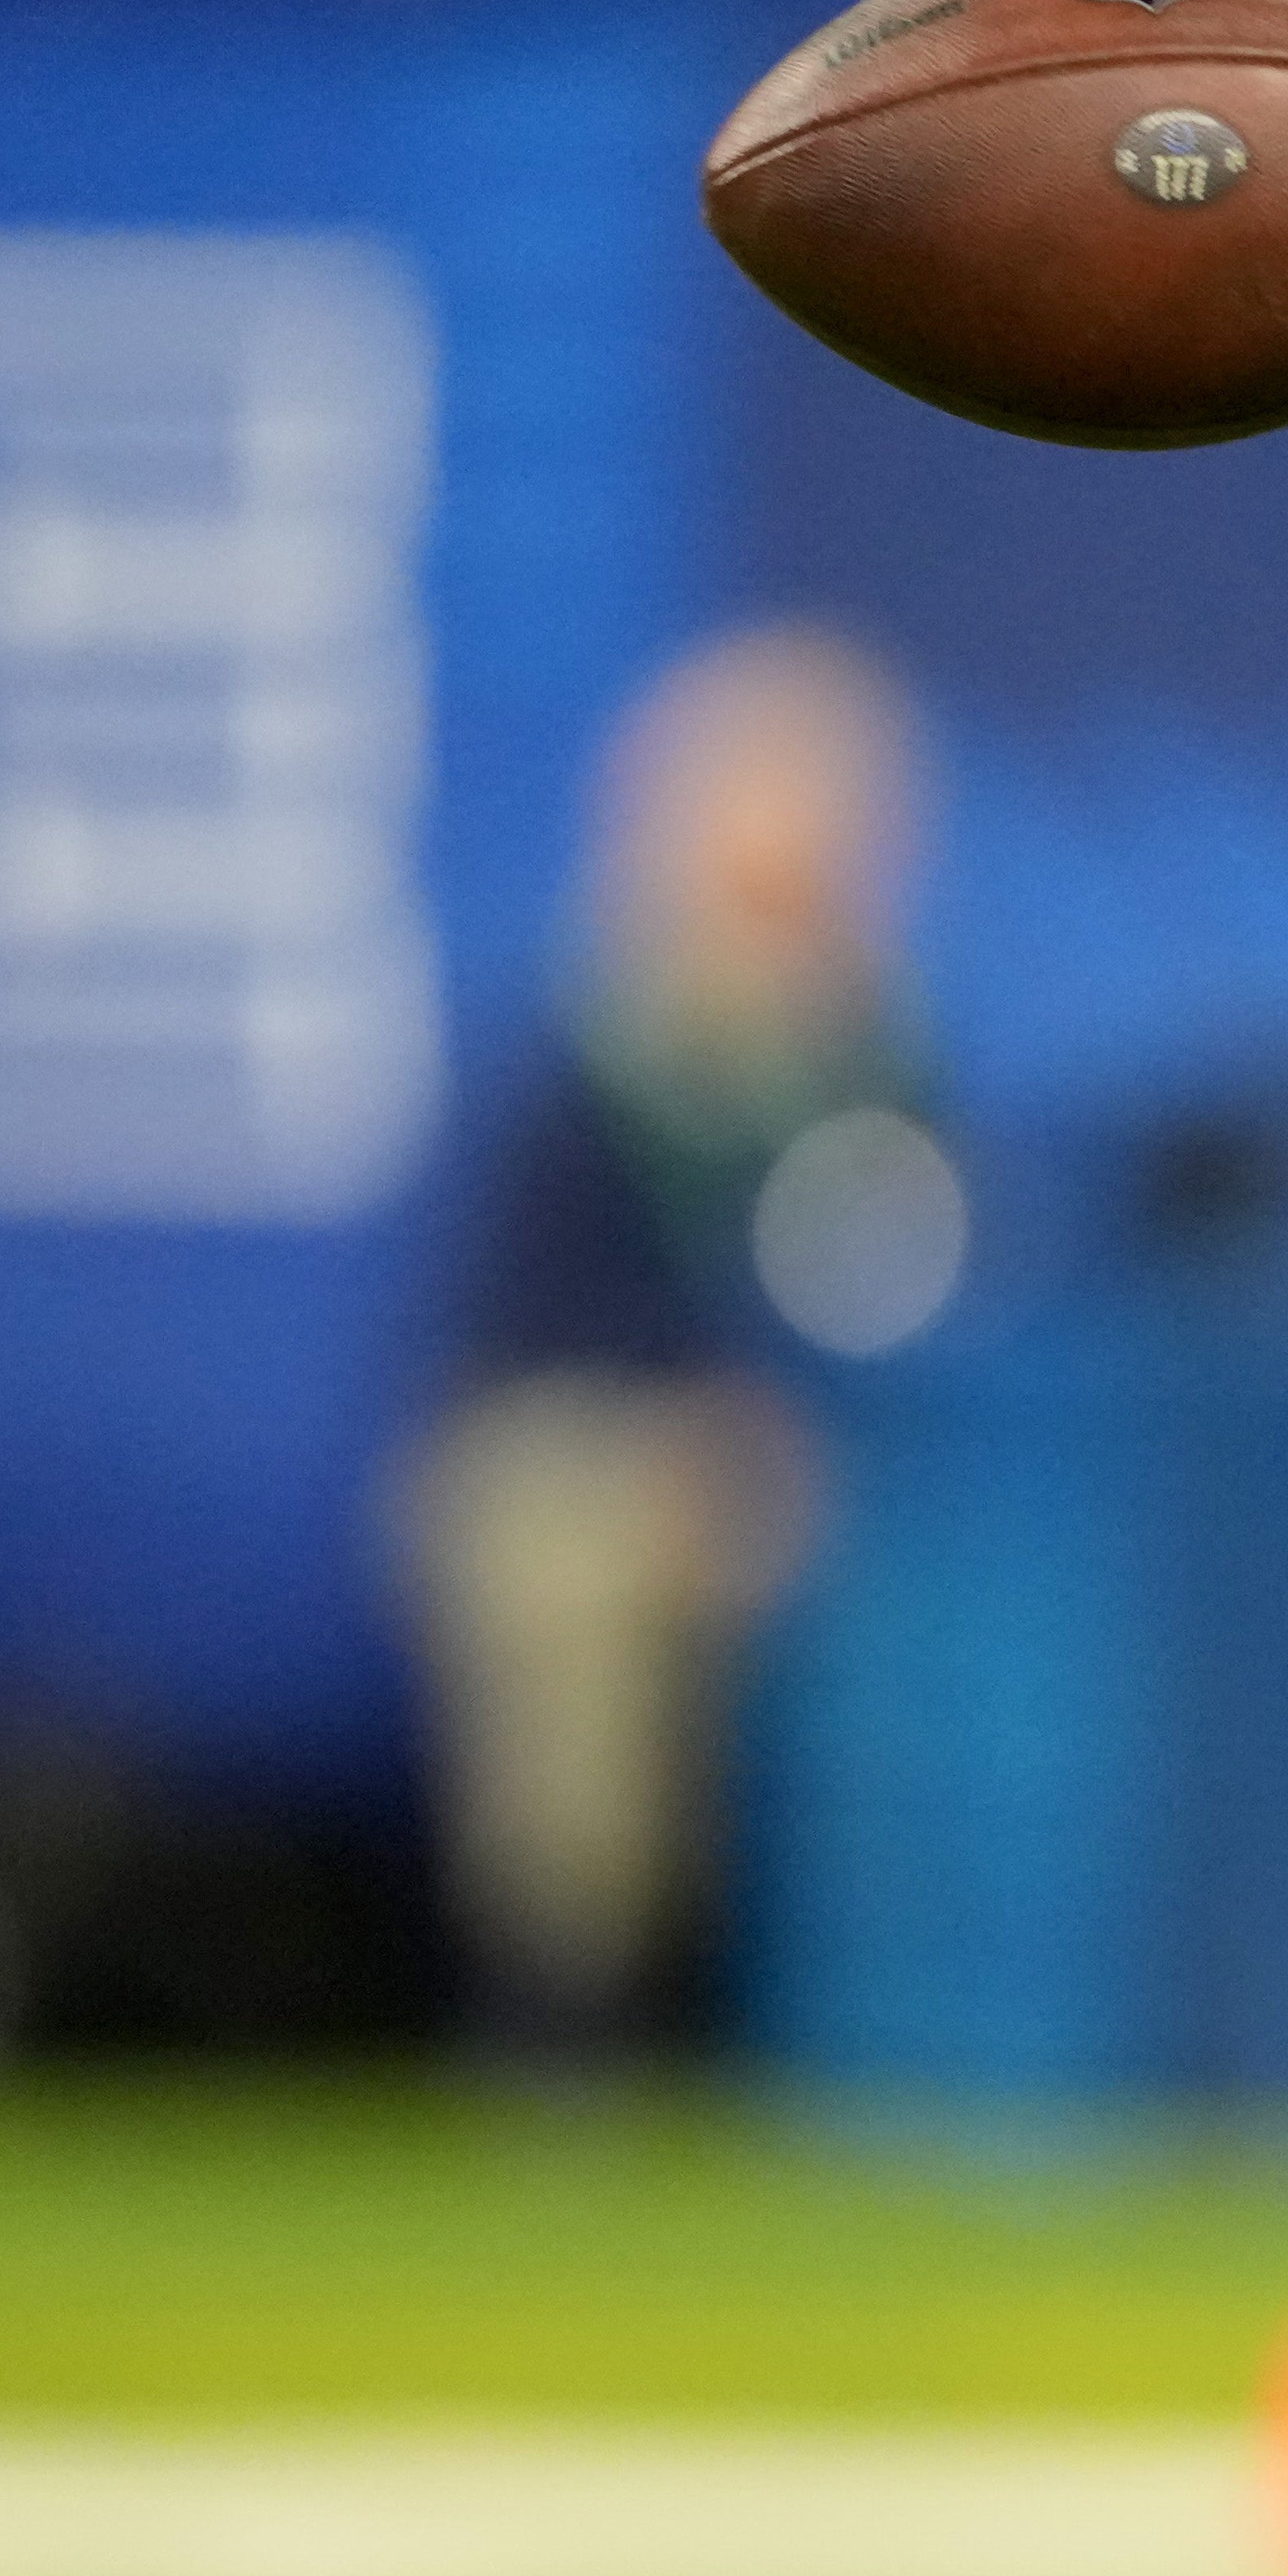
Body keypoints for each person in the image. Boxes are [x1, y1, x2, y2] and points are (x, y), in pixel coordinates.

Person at [408, 622, 936, 2060]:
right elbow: (536, 1335)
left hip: (816, 1468)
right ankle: (562, 2034)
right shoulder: (598, 1058)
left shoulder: (876, 1062)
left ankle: (870, 2026)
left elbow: (912, 1291)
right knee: (566, 1571)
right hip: (579, 1446)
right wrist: (691, 1443)